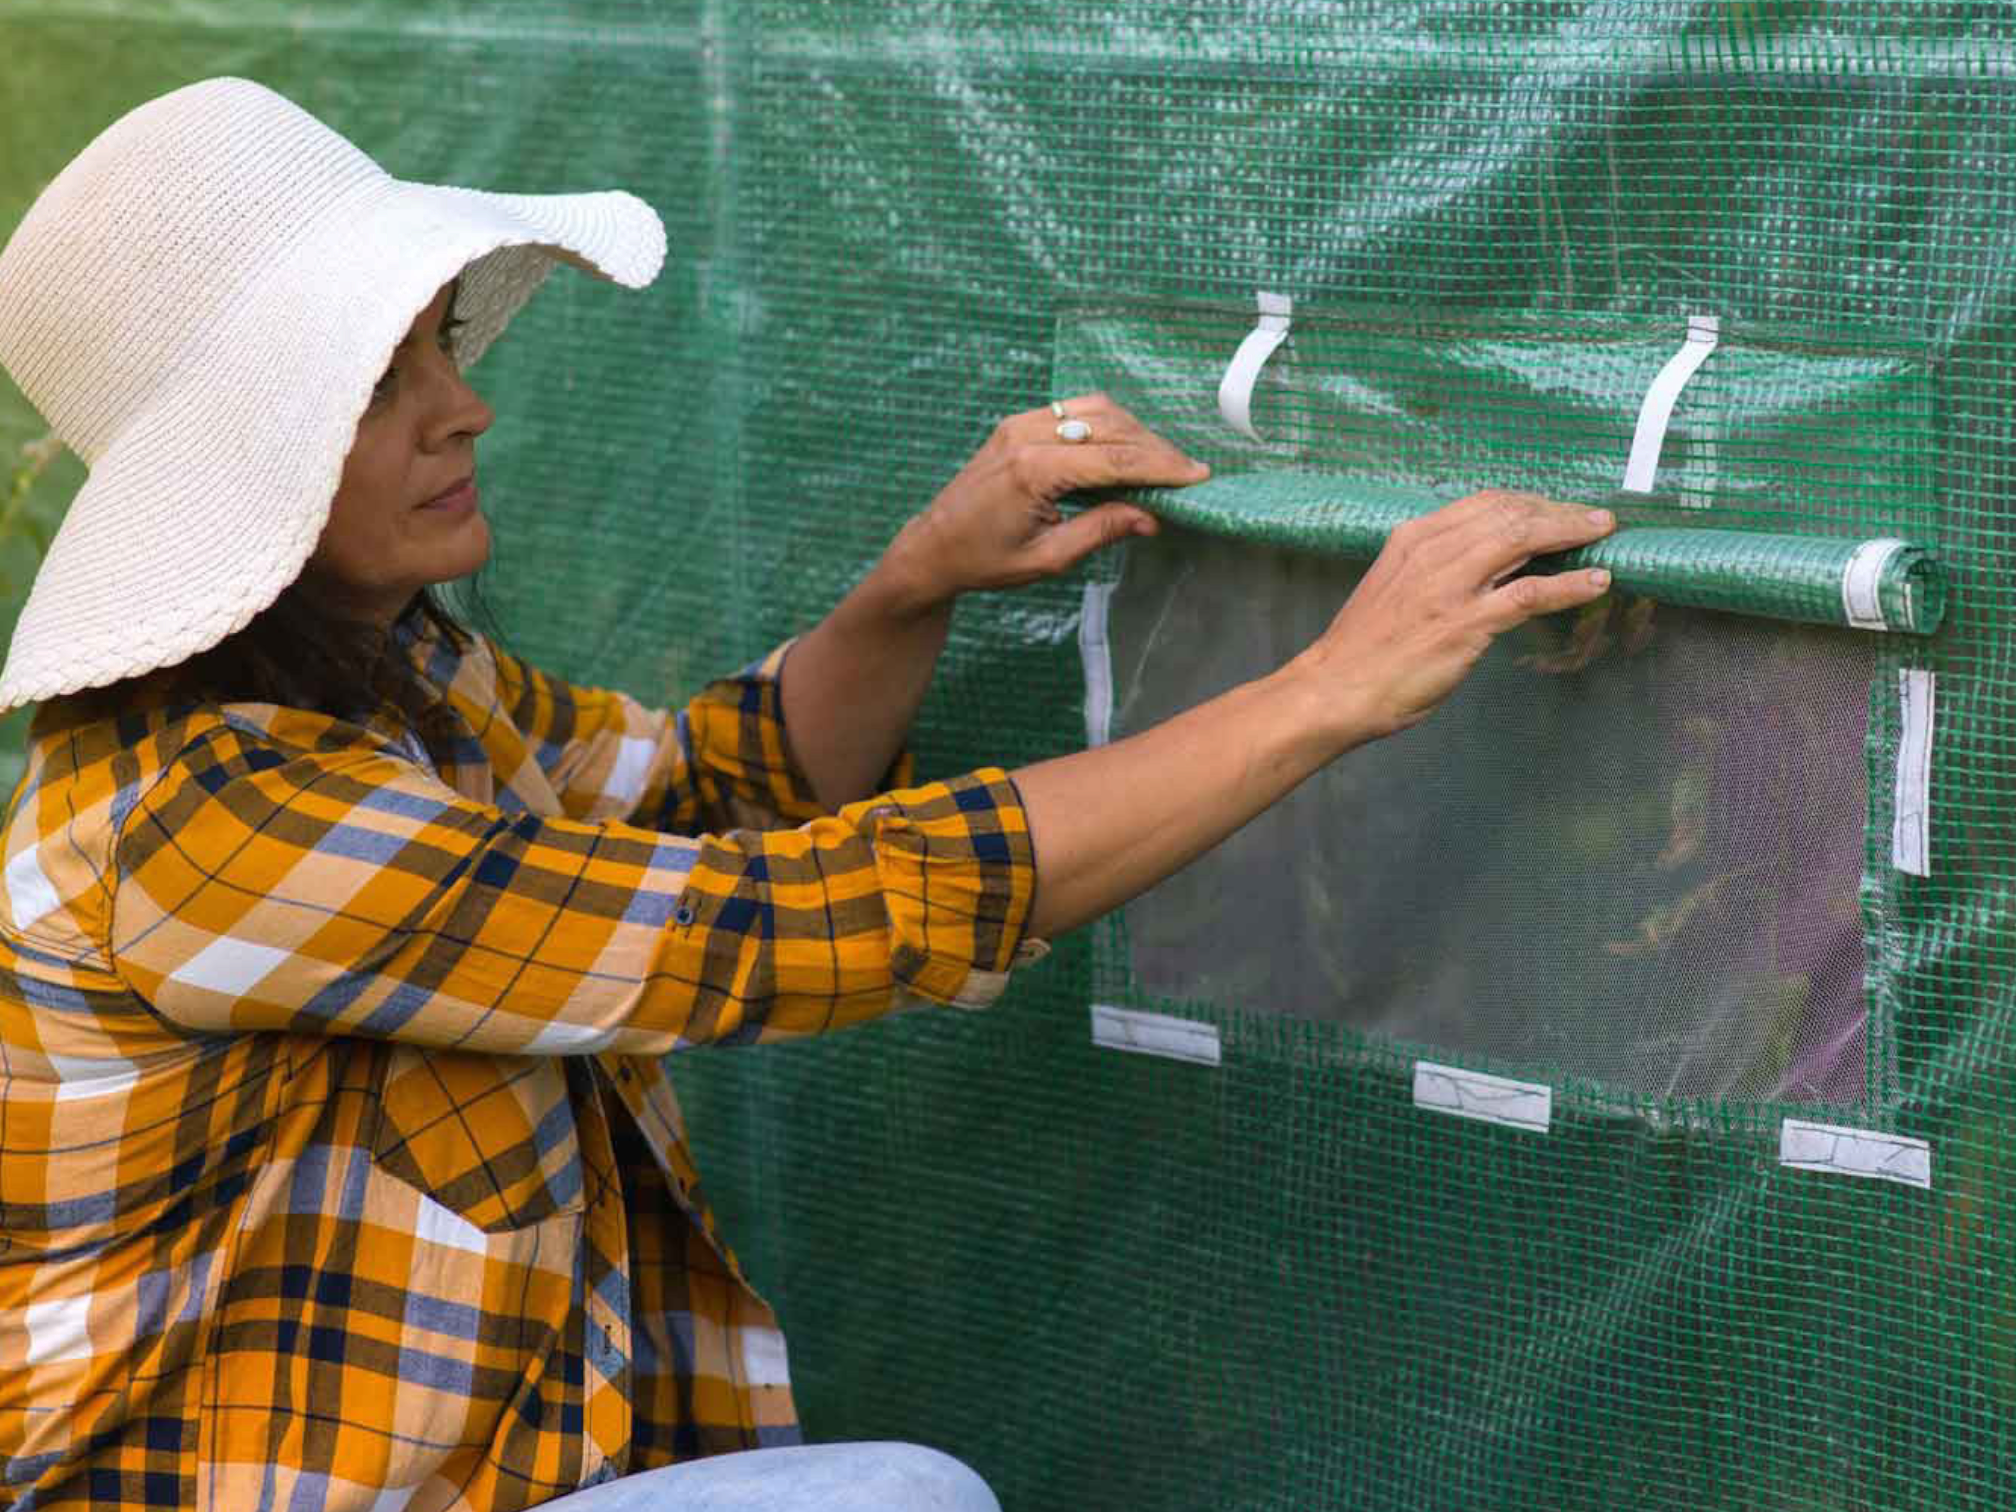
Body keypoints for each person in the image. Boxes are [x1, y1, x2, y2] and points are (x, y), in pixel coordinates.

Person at [0, 78, 1614, 1512]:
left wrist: (920, 577)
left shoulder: (399, 687)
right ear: (242, 473)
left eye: (434, 343)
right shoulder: (207, 823)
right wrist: (1329, 689)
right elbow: (765, 924)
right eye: (370, 386)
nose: (461, 404)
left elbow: (712, 794)